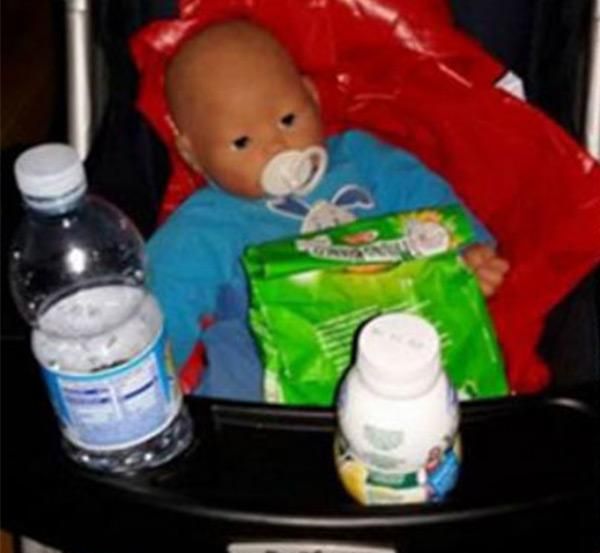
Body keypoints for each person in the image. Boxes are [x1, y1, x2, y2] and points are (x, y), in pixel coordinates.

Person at [147, 19, 509, 401]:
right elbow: (164, 305)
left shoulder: (363, 160)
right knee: (237, 378)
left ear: (312, 97)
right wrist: (147, 383)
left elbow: (430, 206)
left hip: (395, 347)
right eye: (241, 142)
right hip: (271, 383)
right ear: (193, 154)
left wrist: (465, 255)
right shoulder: (207, 223)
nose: (276, 146)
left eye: (288, 120)